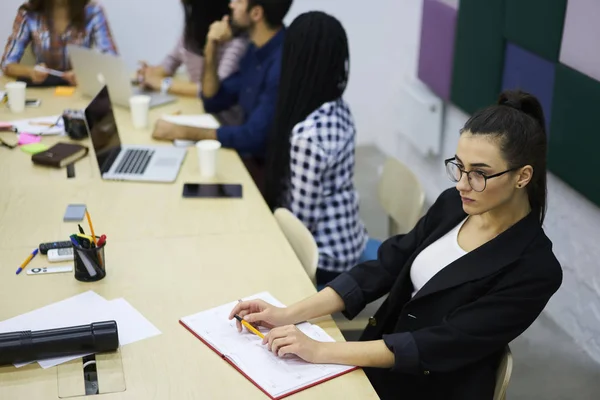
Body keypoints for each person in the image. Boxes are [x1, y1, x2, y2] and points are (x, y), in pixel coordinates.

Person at [229, 90, 563, 399]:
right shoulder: (453, 205)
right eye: (459, 167)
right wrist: (286, 314)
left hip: (428, 388)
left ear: (523, 176)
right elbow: (387, 265)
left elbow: (439, 344)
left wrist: (320, 351)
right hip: (379, 362)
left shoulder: (534, 269)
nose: (462, 183)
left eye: (479, 173)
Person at [264, 12, 367, 286]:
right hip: (350, 238)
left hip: (327, 258)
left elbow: (301, 223)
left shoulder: (307, 136)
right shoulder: (337, 107)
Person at [152, 0, 293, 190]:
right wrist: (212, 45)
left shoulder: (281, 62)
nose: (231, 4)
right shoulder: (255, 50)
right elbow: (213, 100)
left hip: (265, 177)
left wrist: (183, 131)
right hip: (247, 161)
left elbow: (254, 137)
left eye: (239, 1)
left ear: (256, 13)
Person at [137, 0, 248, 98]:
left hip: (218, 115)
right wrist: (150, 74)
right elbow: (172, 60)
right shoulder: (193, 26)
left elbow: (215, 92)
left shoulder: (235, 39)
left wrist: (163, 84)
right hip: (194, 107)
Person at [1, 0, 117, 86]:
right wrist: (31, 72)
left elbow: (112, 60)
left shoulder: (93, 11)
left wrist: (86, 73)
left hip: (81, 90)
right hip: (43, 91)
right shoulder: (29, 13)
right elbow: (7, 63)